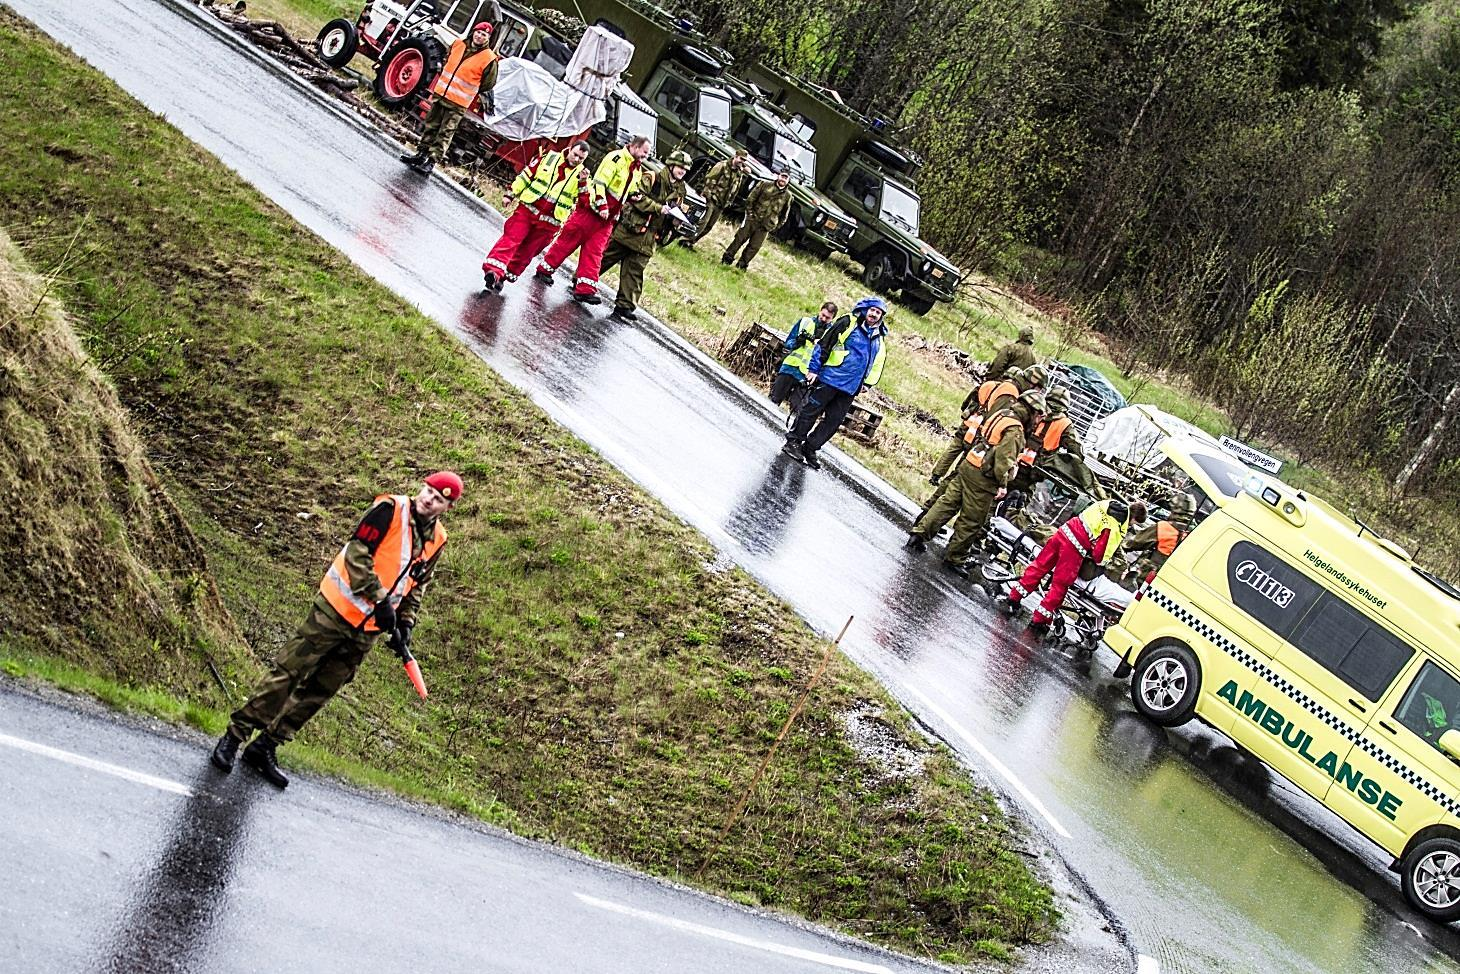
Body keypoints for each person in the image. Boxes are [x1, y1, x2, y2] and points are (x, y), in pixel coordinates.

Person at [210, 473, 461, 788]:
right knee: (288, 674)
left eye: (438, 498)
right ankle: (235, 737)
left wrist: (406, 622)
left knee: (320, 691)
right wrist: (380, 599)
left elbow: (418, 582)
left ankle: (266, 745)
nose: (428, 499)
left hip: (365, 632)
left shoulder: (438, 539)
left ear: (448, 507)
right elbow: (357, 554)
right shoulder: (388, 509)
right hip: (333, 612)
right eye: (427, 491)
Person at [907, 389, 1043, 574]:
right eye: (1038, 416)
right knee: (972, 520)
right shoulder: (1015, 430)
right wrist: (1002, 484)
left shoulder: (1002, 415)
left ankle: (919, 534)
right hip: (983, 478)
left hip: (969, 463)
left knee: (947, 504)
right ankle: (954, 558)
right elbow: (1003, 461)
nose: (1037, 422)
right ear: (1032, 411)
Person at [536, 135, 651, 304]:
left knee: (595, 253)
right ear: (634, 147)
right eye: (645, 151)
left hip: (607, 220)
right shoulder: (615, 158)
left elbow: (630, 189)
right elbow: (600, 183)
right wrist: (602, 205)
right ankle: (544, 270)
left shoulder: (637, 169)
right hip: (590, 212)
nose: (646, 156)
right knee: (567, 242)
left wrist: (634, 196)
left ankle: (585, 289)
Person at [781, 296, 889, 469]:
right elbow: (825, 344)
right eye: (872, 310)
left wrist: (867, 384)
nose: (874, 315)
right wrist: (814, 369)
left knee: (834, 421)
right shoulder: (848, 322)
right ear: (865, 309)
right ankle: (793, 442)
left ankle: (810, 447)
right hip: (830, 378)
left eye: (878, 312)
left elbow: (876, 362)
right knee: (810, 412)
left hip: (850, 388)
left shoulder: (879, 337)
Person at [1001, 497, 1130, 634]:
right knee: (1060, 584)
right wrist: (1102, 562)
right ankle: (1040, 619)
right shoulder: (1114, 525)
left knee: (1039, 566)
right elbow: (1099, 555)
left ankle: (1014, 597)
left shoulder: (1102, 506)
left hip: (1063, 531)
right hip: (1074, 547)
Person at [481, 141, 590, 292]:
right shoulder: (549, 158)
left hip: (549, 224)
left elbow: (585, 202)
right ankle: (493, 271)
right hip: (527, 210)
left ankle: (503, 277)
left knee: (526, 253)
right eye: (575, 155)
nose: (577, 160)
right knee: (511, 239)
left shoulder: (582, 176)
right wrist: (510, 194)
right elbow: (526, 176)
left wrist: (583, 183)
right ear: (569, 149)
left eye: (581, 158)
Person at [600, 150, 692, 322]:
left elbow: (675, 211)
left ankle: (625, 305)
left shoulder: (680, 191)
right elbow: (635, 197)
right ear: (671, 165)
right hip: (630, 230)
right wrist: (658, 208)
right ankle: (582, 279)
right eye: (680, 167)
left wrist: (676, 222)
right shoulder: (652, 178)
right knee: (606, 257)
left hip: (649, 238)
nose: (682, 171)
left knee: (635, 272)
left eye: (685, 169)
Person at [399, 23, 498, 176]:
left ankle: (431, 162)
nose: (480, 36)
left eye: (484, 35)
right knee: (431, 126)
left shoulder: (489, 59)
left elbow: (488, 84)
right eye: (478, 33)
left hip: (458, 103)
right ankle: (420, 155)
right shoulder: (458, 44)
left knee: (445, 132)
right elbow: (446, 62)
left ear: (488, 38)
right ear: (473, 33)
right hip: (441, 95)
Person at [930, 364, 1047, 486]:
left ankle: (938, 476)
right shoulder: (1011, 393)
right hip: (979, 431)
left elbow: (972, 399)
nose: (1037, 393)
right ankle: (946, 486)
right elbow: (997, 416)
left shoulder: (997, 385)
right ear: (1033, 383)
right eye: (1039, 389)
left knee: (954, 450)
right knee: (963, 465)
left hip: (973, 423)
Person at [1010, 386, 1104, 499]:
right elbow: (1076, 449)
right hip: (1034, 471)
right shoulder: (1065, 424)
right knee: (1022, 500)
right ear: (1065, 406)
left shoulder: (1036, 410)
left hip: (1013, 460)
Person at [769, 301, 838, 413]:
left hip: (807, 375)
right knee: (772, 401)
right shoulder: (805, 322)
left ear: (832, 318)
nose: (824, 319)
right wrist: (797, 342)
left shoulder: (831, 333)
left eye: (828, 318)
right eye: (823, 315)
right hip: (790, 367)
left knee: (798, 411)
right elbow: (788, 342)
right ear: (820, 311)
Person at [1116, 492, 1194, 586]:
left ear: (1175, 509)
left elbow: (1135, 542)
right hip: (1168, 581)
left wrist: (1120, 545)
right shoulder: (1194, 534)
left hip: (1145, 577)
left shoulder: (1165, 527)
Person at [722, 169, 792, 270]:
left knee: (754, 247)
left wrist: (774, 226)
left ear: (788, 180)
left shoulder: (788, 196)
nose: (783, 179)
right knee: (739, 239)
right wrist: (750, 214)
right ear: (778, 176)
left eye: (786, 178)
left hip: (765, 226)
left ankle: (742, 265)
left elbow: (784, 215)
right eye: (782, 176)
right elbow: (751, 199)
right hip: (752, 219)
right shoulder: (765, 184)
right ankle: (727, 258)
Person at [689, 148, 748, 247]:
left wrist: (729, 201)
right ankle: (686, 240)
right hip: (712, 199)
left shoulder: (739, 173)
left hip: (722, 203)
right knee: (703, 222)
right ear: (735, 156)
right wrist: (707, 195)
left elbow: (735, 188)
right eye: (741, 159)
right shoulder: (722, 165)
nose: (742, 162)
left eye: (744, 160)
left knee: (709, 226)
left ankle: (692, 242)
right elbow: (709, 178)